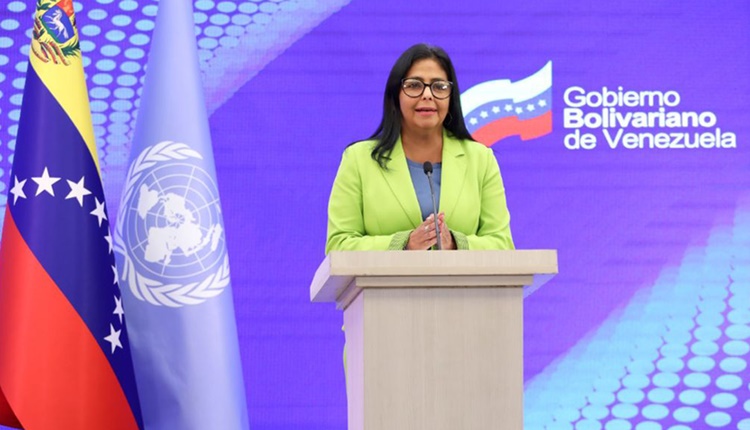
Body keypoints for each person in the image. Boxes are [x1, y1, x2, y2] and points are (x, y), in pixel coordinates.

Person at [325, 43, 514, 253]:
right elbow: (339, 245)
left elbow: (502, 244)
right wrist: (405, 243)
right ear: (396, 95)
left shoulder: (480, 159)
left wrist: (454, 243)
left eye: (439, 86)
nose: (427, 95)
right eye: (414, 85)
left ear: (451, 97)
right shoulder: (359, 159)